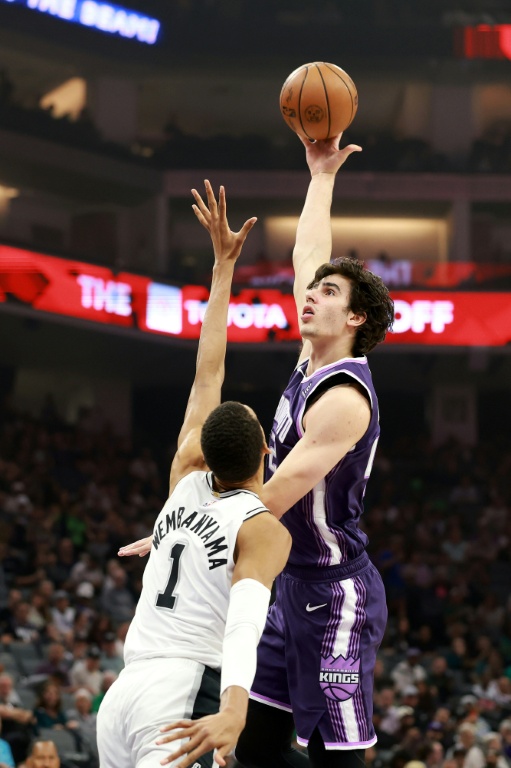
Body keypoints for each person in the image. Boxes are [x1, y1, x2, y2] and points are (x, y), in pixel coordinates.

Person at [120, 136, 394, 767]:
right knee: (258, 744)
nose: (311, 294)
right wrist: (320, 175)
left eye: (327, 294)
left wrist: (183, 527)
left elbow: (270, 495)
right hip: (284, 578)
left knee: (336, 756)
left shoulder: (345, 398)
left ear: (355, 319)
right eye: (313, 290)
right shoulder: (309, 360)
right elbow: (309, 252)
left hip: (335, 591)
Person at [99, 181, 291, 768]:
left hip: (123, 692)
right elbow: (243, 624)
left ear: (203, 451)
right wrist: (235, 707)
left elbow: (207, 372)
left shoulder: (184, 475)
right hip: (182, 693)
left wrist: (222, 266)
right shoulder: (261, 528)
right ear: (265, 449)